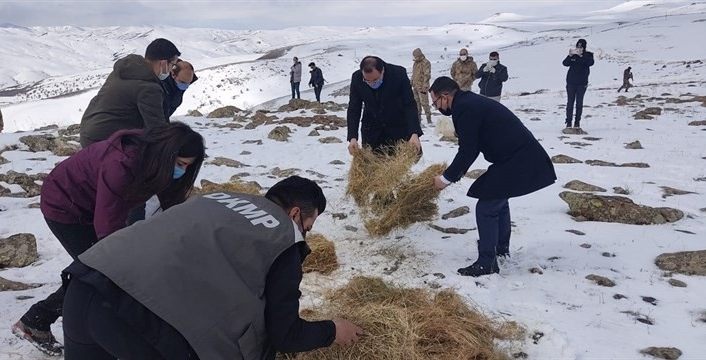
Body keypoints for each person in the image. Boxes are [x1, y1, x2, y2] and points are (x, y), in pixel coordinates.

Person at [60, 176, 363, 359]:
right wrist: (333, 330)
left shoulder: (219, 199)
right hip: (141, 321)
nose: (307, 231)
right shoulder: (284, 239)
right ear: (296, 213)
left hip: (85, 283)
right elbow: (284, 334)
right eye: (310, 224)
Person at [12, 122, 205, 356]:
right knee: (97, 273)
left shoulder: (152, 159)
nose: (182, 171)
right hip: (64, 205)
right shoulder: (121, 164)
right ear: (166, 153)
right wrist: (120, 262)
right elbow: (107, 223)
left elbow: (158, 207)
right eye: (180, 164)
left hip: (93, 205)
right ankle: (36, 321)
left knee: (107, 271)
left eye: (187, 166)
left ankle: (38, 319)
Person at [429, 77, 556, 277]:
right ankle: (500, 249)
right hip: (518, 156)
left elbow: (468, 150)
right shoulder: (468, 101)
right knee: (498, 198)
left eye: (435, 103)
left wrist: (446, 179)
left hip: (519, 158)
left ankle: (487, 262)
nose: (436, 108)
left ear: (445, 97)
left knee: (487, 206)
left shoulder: (464, 107)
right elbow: (475, 145)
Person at [80, 38, 181, 147]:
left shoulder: (124, 71)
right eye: (172, 64)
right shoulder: (149, 88)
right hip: (104, 143)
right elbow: (158, 129)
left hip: (88, 133)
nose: (171, 70)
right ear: (163, 63)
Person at [347, 56, 423, 155]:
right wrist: (353, 137)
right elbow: (354, 108)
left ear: (382, 70)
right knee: (372, 168)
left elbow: (409, 104)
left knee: (398, 168)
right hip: (372, 133)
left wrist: (414, 133)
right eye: (367, 81)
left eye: (375, 80)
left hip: (397, 130)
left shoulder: (398, 74)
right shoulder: (357, 78)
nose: (371, 84)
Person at [562, 38, 594, 128]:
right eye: (578, 46)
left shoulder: (589, 55)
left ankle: (577, 123)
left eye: (581, 47)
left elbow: (590, 63)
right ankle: (568, 122)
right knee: (570, 103)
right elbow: (565, 63)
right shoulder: (573, 55)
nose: (579, 48)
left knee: (579, 103)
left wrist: (581, 56)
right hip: (571, 82)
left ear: (584, 47)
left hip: (582, 83)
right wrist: (570, 55)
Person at [411, 48, 432, 125]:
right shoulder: (415, 63)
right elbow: (414, 74)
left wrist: (425, 85)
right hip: (415, 86)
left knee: (424, 103)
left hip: (422, 87)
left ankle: (429, 119)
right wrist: (411, 82)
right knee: (416, 104)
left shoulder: (426, 63)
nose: (414, 58)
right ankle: (418, 120)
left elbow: (427, 75)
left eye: (415, 56)